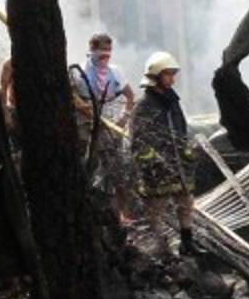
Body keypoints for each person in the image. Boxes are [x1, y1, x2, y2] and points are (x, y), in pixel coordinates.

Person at [130, 50, 198, 255]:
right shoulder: (143, 106)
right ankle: (160, 250)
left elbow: (181, 129)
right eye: (168, 74)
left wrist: (186, 151)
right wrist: (152, 161)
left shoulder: (173, 102)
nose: (172, 79)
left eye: (173, 74)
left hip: (178, 164)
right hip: (156, 168)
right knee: (156, 210)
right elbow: (138, 139)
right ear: (156, 76)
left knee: (185, 203)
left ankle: (187, 244)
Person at [71, 33, 135, 219]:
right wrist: (86, 109)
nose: (106, 55)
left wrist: (124, 118)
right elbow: (72, 97)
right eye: (102, 51)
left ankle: (123, 213)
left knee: (116, 168)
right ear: (92, 50)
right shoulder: (77, 72)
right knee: (86, 164)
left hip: (109, 124)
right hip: (85, 124)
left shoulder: (115, 72)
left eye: (109, 51)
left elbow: (130, 96)